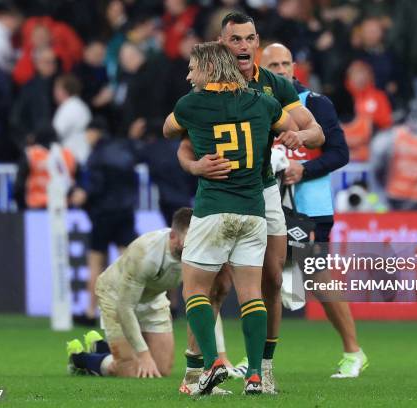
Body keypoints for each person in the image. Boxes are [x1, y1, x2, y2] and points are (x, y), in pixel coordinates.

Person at [176, 12, 324, 395]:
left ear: (256, 41)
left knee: (270, 279)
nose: (244, 46)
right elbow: (185, 148)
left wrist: (299, 137)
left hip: (262, 192)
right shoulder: (215, 92)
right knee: (219, 287)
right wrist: (196, 165)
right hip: (239, 197)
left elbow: (314, 130)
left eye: (249, 39)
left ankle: (257, 368)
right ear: (221, 45)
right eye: (235, 40)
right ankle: (199, 370)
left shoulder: (271, 86)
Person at [261, 42, 368, 378]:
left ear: (295, 67)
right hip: (267, 204)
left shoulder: (315, 104)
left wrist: (302, 170)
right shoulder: (256, 103)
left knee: (319, 278)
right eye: (273, 65)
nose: (281, 70)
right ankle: (260, 361)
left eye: (285, 63)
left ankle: (354, 351)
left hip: (310, 208)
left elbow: (340, 153)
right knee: (263, 280)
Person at [65, 208, 194, 378]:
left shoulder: (198, 252)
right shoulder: (146, 254)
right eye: (189, 237)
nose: (195, 242)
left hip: (153, 298)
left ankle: (100, 347)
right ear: (172, 236)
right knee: (132, 371)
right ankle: (80, 359)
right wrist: (144, 355)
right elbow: (125, 307)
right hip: (116, 296)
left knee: (161, 370)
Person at [69, 118, 139, 326]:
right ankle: (129, 311)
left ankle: (91, 312)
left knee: (95, 265)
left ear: (95, 133)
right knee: (127, 266)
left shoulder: (96, 156)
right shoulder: (124, 151)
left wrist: (83, 195)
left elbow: (95, 186)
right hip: (125, 214)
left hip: (102, 216)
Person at [13, 126, 76, 210]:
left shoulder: (30, 154)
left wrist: (21, 207)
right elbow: (76, 181)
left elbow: (19, 185)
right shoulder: (68, 154)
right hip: (63, 207)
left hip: (36, 207)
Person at [52, 74, 92, 164]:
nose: (54, 92)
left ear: (65, 90)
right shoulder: (81, 105)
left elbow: (55, 133)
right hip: (83, 155)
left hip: (73, 159)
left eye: (57, 88)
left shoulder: (69, 107)